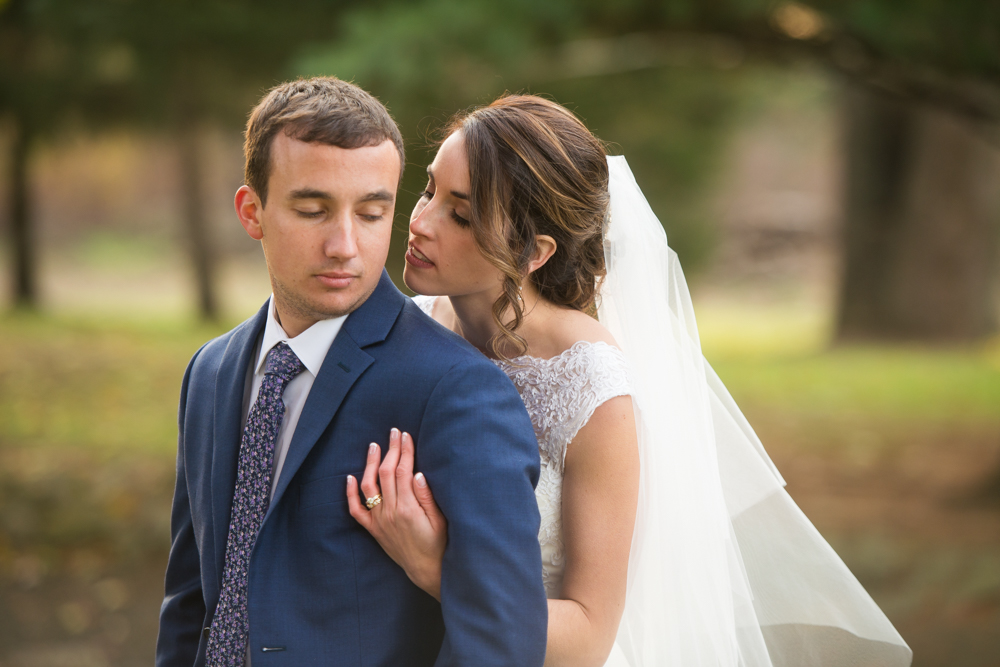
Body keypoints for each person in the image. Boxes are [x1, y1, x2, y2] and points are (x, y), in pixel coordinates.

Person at [347, 95, 914, 667]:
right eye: (428, 191)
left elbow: (590, 634)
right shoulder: (406, 328)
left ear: (534, 252)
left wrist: (438, 570)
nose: (418, 222)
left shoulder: (589, 382)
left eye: (462, 215)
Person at [156, 77, 548, 667]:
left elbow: (502, 640)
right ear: (252, 212)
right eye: (313, 210)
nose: (344, 245)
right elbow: (191, 599)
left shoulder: (459, 391)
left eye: (371, 213)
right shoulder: (209, 372)